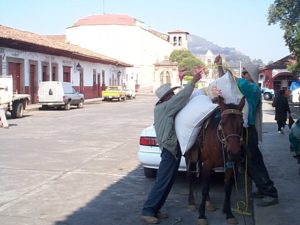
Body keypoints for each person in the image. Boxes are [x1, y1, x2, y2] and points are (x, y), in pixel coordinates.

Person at [214, 55, 279, 207]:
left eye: (245, 72)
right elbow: (227, 82)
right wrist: (220, 67)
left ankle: (270, 192)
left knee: (255, 162)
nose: (243, 75)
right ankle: (262, 189)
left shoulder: (253, 88)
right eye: (242, 73)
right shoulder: (243, 91)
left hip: (249, 132)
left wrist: (221, 67)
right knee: (246, 163)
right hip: (242, 132)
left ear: (251, 75)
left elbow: (229, 80)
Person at [141, 68, 203, 224]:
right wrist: (193, 80)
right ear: (167, 97)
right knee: (162, 181)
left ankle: (156, 209)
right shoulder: (165, 108)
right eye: (172, 94)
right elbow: (181, 98)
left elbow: (180, 102)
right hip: (169, 150)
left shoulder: (164, 108)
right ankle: (148, 210)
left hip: (171, 150)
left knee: (168, 182)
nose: (174, 96)